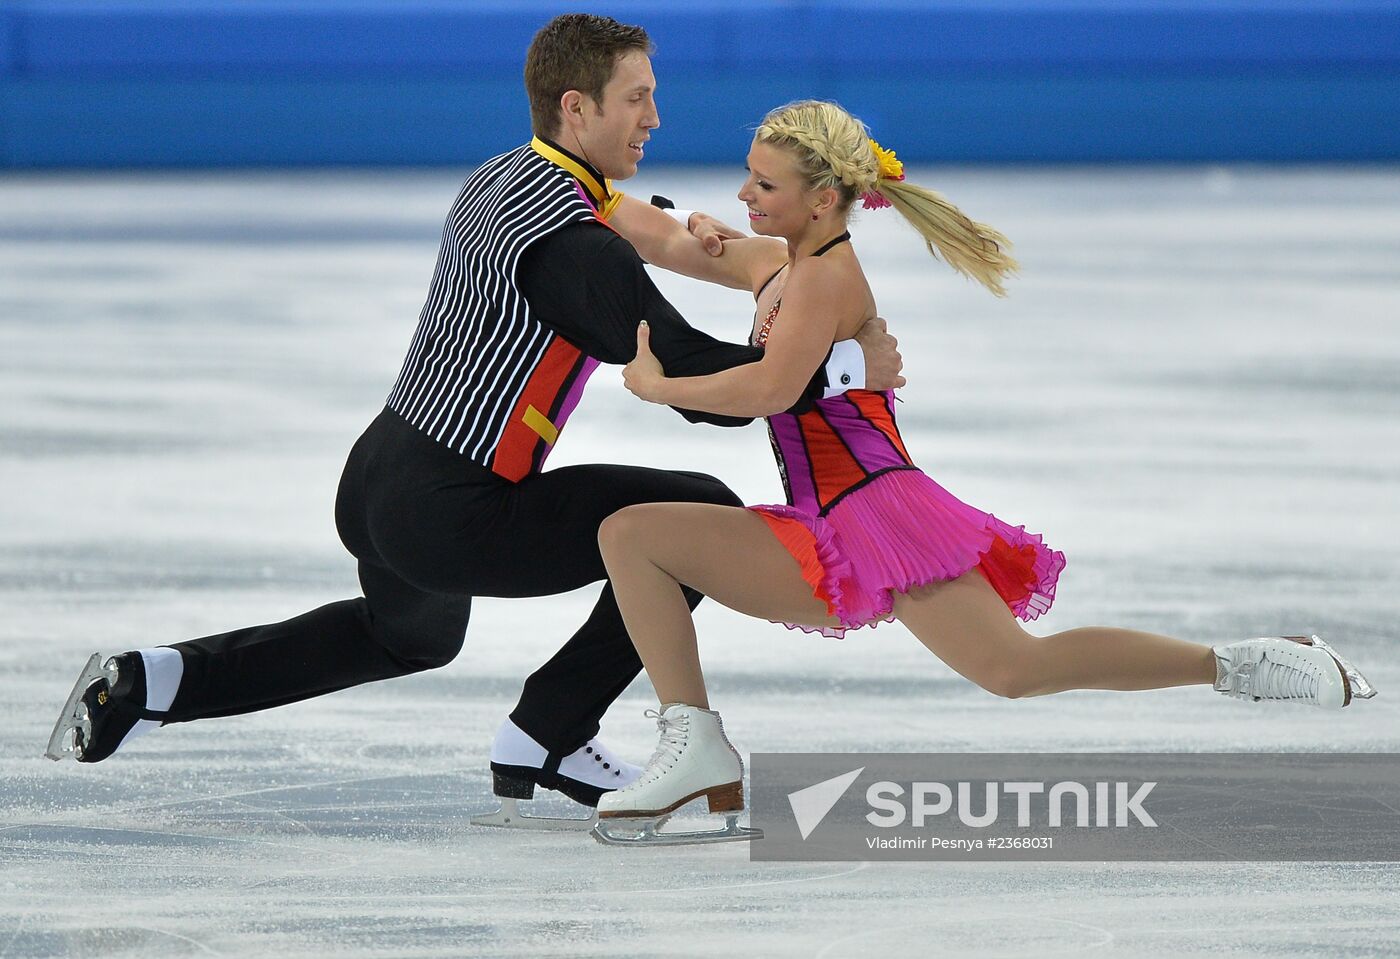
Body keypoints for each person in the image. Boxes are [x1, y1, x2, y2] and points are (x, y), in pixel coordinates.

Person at [44, 17, 905, 824]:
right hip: (455, 508)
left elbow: (676, 241)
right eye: (636, 97)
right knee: (700, 517)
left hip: (380, 476)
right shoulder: (572, 247)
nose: (655, 116)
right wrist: (840, 366)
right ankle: (551, 728)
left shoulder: (516, 176)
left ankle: (154, 681)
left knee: (405, 634)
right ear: (579, 107)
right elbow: (687, 375)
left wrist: (778, 273)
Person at [588, 99, 1377, 830]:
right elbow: (661, 239)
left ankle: (1251, 663)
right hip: (829, 513)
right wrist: (572, 175)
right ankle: (695, 743)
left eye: (765, 183)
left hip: (877, 509)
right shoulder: (781, 263)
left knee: (1014, 668)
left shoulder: (825, 278)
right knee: (633, 536)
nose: (744, 194)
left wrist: (660, 388)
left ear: (823, 199)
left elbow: (771, 386)